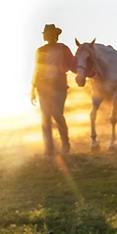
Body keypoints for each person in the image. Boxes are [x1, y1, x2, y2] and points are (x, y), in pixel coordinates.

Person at [31, 24, 76, 156]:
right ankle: (48, 149)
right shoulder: (40, 51)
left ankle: (65, 142)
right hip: (43, 87)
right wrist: (33, 88)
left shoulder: (63, 48)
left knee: (57, 114)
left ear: (56, 36)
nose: (50, 37)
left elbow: (72, 64)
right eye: (48, 35)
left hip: (59, 86)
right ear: (45, 37)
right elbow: (37, 69)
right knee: (45, 118)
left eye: (52, 35)